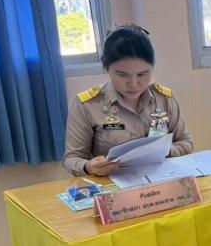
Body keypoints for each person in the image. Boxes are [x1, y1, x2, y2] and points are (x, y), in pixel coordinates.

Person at [62, 25, 194, 177]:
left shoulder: (164, 99)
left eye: (142, 74)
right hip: (114, 183)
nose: (133, 84)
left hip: (160, 179)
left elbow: (186, 143)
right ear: (107, 68)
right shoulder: (88, 105)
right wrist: (88, 167)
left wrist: (164, 151)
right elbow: (71, 159)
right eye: (122, 75)